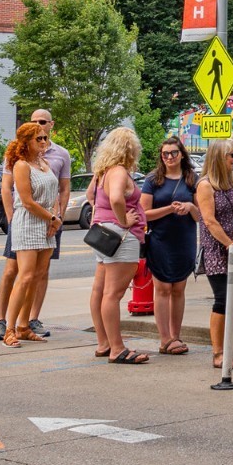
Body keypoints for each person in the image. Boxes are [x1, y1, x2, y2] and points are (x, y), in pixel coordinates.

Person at [0, 109, 72, 343]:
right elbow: (26, 201)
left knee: (37, 276)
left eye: (45, 137)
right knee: (24, 276)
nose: (44, 141)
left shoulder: (44, 162)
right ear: (26, 142)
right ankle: (9, 328)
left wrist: (56, 218)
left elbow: (57, 192)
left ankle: (24, 326)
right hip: (29, 223)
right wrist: (51, 219)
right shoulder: (21, 165)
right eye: (39, 138)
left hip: (48, 223)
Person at [85, 125, 149, 364]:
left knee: (100, 291)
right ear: (129, 149)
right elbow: (116, 198)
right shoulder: (119, 171)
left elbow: (91, 196)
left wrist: (100, 214)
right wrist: (124, 220)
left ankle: (104, 343)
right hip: (121, 236)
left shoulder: (102, 172)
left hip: (103, 234)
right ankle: (117, 348)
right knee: (113, 294)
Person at [139, 136, 200, 356]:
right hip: (160, 240)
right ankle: (165, 339)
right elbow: (144, 214)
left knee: (179, 289)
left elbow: (200, 215)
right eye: (165, 154)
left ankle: (176, 336)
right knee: (163, 288)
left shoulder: (192, 178)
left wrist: (189, 206)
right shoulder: (153, 180)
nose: (169, 157)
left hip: (184, 239)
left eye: (174, 153)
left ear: (182, 154)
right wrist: (170, 209)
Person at [194, 140, 233, 376]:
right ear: (219, 157)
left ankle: (227, 348)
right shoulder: (205, 185)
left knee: (231, 300)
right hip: (217, 250)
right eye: (232, 155)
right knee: (222, 299)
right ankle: (218, 352)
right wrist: (230, 244)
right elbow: (209, 220)